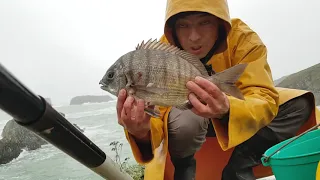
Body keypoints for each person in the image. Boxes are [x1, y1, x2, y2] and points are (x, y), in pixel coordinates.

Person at [116, 0, 320, 179]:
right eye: (183, 25)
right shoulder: (163, 52)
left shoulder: (243, 39)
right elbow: (157, 115)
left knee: (300, 104)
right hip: (188, 115)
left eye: (205, 22)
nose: (194, 37)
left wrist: (227, 109)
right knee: (186, 122)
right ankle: (184, 168)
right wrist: (140, 131)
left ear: (220, 23)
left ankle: (240, 164)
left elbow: (263, 96)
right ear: (173, 29)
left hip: (234, 114)